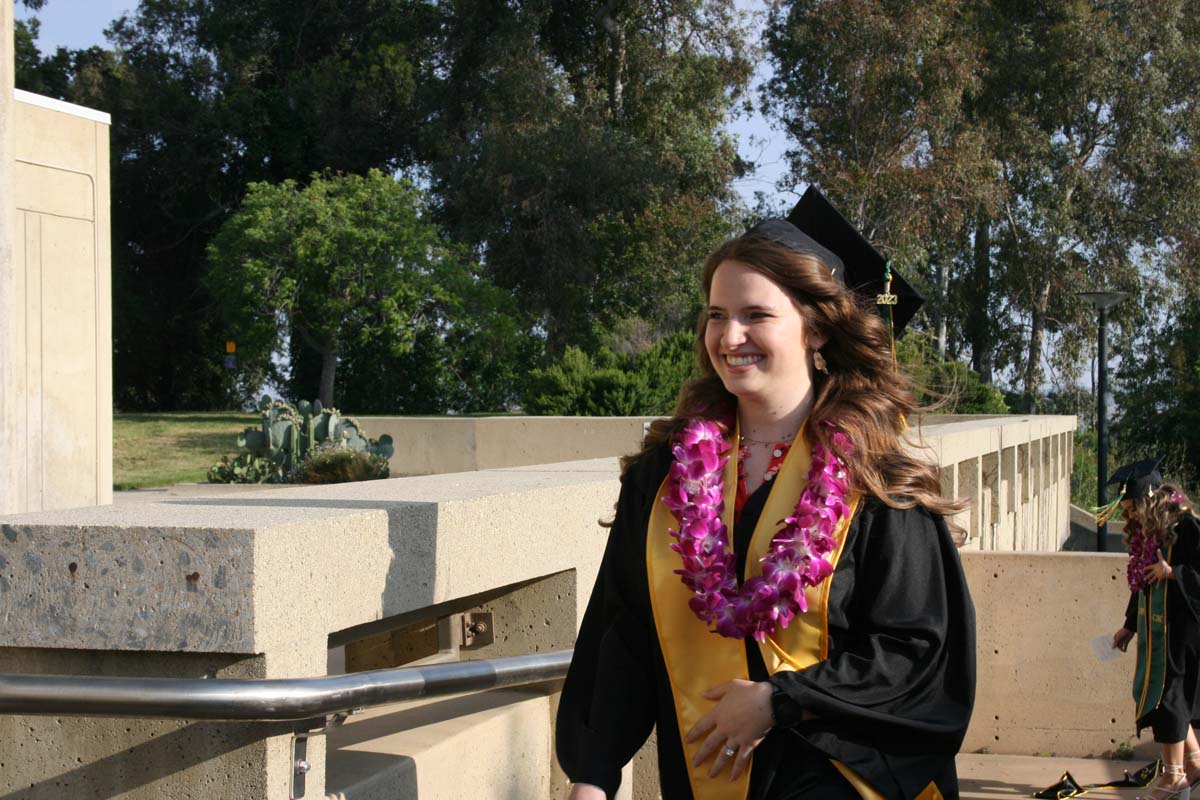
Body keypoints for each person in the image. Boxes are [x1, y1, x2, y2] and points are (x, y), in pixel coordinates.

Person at [556, 188, 977, 800]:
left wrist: (782, 702)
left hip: (837, 780)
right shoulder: (665, 478)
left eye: (756, 315)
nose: (729, 337)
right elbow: (619, 632)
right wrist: (592, 775)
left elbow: (919, 655)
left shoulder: (877, 482)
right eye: (716, 314)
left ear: (817, 331)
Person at [1109, 458, 1200, 800]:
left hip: (1185, 630)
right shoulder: (1152, 534)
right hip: (1160, 629)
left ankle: (1174, 779)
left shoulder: (1187, 526)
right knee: (1166, 697)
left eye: (1132, 506)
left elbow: (1190, 572)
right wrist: (1129, 626)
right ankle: (1193, 763)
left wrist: (1173, 572)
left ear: (1150, 500)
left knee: (1170, 697)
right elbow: (1143, 584)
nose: (1129, 514)